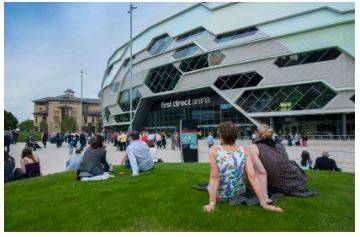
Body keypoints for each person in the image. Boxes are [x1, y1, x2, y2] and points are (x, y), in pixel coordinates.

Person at [203, 121, 282, 213]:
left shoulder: (214, 150)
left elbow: (214, 177)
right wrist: (264, 203)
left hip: (220, 196)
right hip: (238, 193)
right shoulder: (245, 151)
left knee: (213, 173)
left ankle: (214, 199)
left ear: (221, 136)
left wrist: (211, 203)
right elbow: (252, 176)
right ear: (236, 135)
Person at [250, 125, 307, 194]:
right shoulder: (278, 145)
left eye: (256, 132)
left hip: (274, 180)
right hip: (290, 177)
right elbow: (285, 160)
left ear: (258, 134)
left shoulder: (255, 146)